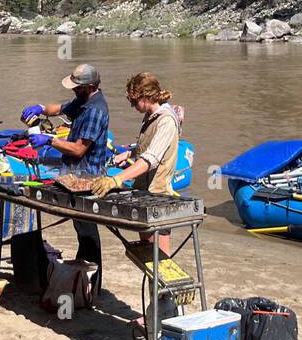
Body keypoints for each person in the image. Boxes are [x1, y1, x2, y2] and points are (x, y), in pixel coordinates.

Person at [20, 63, 111, 269]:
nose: (73, 90)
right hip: (72, 175)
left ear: (89, 86)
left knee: (87, 230)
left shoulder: (95, 110)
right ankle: (83, 274)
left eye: (77, 87)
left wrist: (50, 140)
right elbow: (60, 109)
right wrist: (41, 109)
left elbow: (79, 150)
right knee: (80, 227)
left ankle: (91, 277)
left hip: (87, 178)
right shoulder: (82, 100)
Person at [93, 73, 183, 255]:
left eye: (134, 102)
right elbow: (148, 146)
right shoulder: (150, 116)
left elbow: (150, 159)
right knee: (147, 257)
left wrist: (116, 180)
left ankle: (157, 284)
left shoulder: (165, 120)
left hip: (158, 197)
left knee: (160, 261)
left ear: (146, 96)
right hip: (144, 193)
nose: (132, 106)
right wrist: (130, 152)